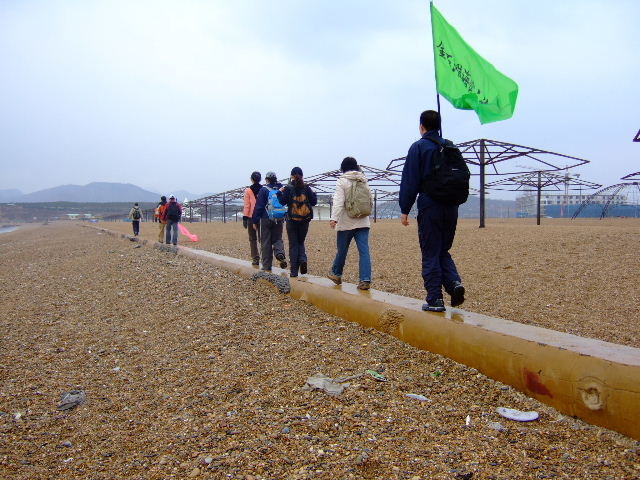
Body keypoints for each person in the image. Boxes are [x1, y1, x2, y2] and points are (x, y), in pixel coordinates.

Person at [399, 110, 465, 312]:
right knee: (442, 249)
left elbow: (410, 180)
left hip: (430, 205)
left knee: (430, 252)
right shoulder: (450, 147)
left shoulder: (419, 147)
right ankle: (454, 283)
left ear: (422, 126)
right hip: (451, 206)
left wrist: (404, 209)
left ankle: (435, 298)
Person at [327, 157, 372, 290]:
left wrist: (334, 218)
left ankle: (336, 274)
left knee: (342, 250)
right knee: (364, 251)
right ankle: (365, 279)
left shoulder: (342, 181)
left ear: (343, 168)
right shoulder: (364, 179)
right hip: (363, 221)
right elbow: (369, 200)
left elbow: (338, 201)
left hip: (346, 222)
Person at [277, 167, 317, 277]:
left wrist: (279, 193)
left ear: (291, 176)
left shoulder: (288, 188)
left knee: (293, 245)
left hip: (292, 220)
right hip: (305, 221)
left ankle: (294, 272)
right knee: (300, 242)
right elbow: (313, 202)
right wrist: (315, 194)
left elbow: (282, 202)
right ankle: (303, 260)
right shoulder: (307, 188)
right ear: (302, 176)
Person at [251, 171, 287, 272]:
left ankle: (267, 266)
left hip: (266, 218)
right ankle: (280, 253)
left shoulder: (264, 190)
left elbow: (259, 206)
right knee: (278, 238)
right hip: (279, 218)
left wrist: (255, 221)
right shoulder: (282, 188)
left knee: (265, 242)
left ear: (267, 179)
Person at [243, 172, 262, 266]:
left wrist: (245, 217)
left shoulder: (248, 190)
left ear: (251, 179)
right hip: (262, 217)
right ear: (260, 179)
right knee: (263, 239)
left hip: (251, 217)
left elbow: (247, 205)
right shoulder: (263, 189)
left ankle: (255, 259)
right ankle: (265, 259)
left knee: (252, 239)